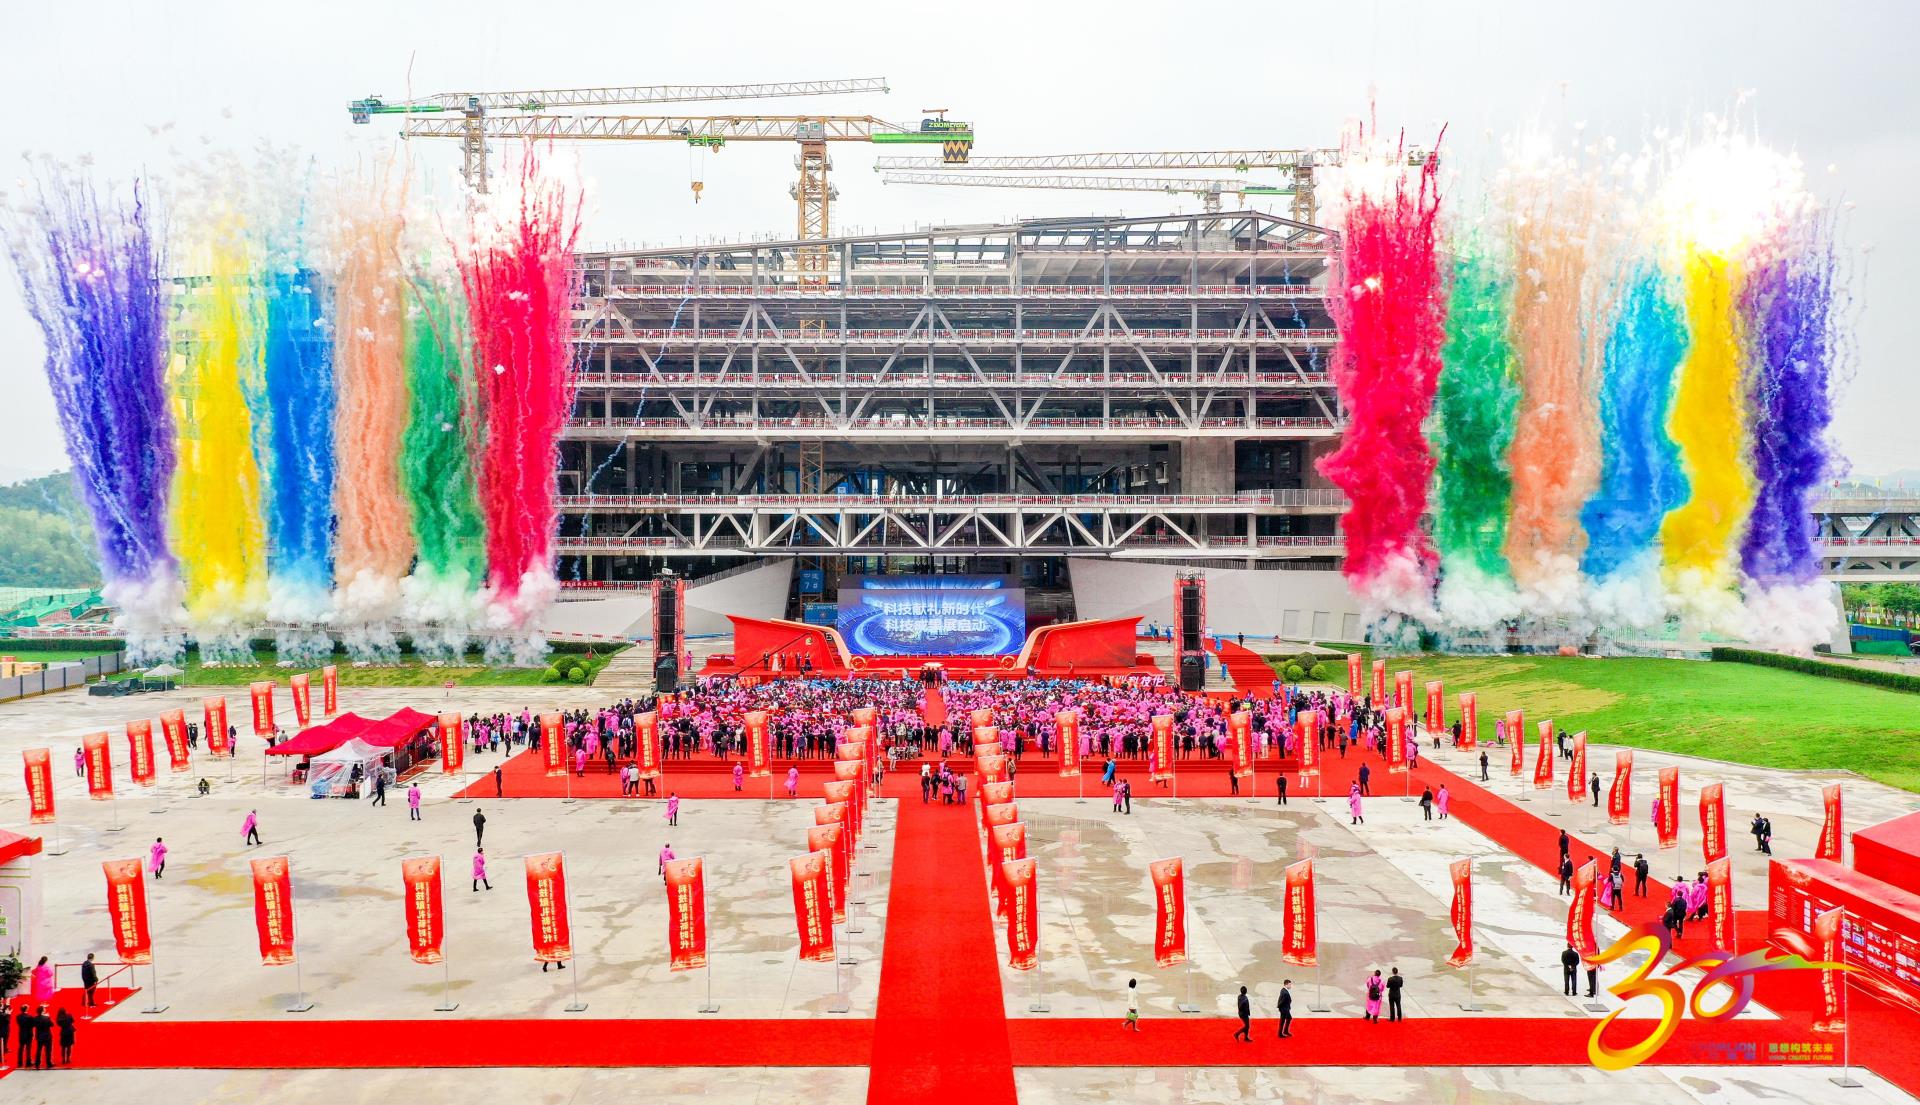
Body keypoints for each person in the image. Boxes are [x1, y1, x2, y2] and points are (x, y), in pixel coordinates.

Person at [31, 1005, 51, 1069]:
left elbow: (33, 1025)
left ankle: (37, 1063)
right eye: (44, 1009)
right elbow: (51, 1024)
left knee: (39, 1050)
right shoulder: (47, 1018)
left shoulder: (35, 1018)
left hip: (39, 1035)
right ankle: (48, 1063)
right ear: (42, 1011)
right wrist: (48, 1017)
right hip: (47, 1036)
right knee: (48, 1050)